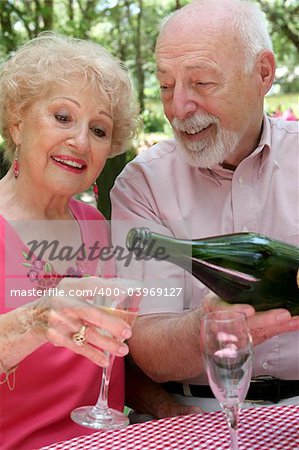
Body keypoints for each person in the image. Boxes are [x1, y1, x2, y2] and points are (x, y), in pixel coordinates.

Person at [111, 0, 299, 416]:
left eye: (201, 83)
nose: (178, 108)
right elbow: (149, 349)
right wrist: (208, 326)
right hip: (193, 411)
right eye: (165, 85)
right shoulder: (143, 184)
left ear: (263, 74)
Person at [0, 32, 139, 449]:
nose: (80, 141)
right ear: (18, 123)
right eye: (63, 117)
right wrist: (34, 319)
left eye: (99, 130)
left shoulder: (96, 225)